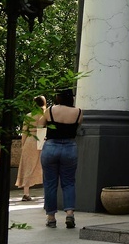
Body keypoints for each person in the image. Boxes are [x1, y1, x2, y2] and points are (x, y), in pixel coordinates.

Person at [41, 88, 82, 229]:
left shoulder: (50, 110)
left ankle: (51, 218)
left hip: (51, 147)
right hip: (70, 147)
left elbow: (40, 124)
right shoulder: (78, 112)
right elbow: (77, 127)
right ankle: (70, 214)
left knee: (50, 183)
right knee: (69, 183)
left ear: (58, 97)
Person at [15, 96, 45, 201]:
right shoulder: (45, 115)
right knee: (44, 165)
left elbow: (24, 132)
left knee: (28, 166)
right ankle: (46, 193)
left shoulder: (29, 116)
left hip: (31, 139)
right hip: (43, 138)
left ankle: (26, 193)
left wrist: (23, 144)